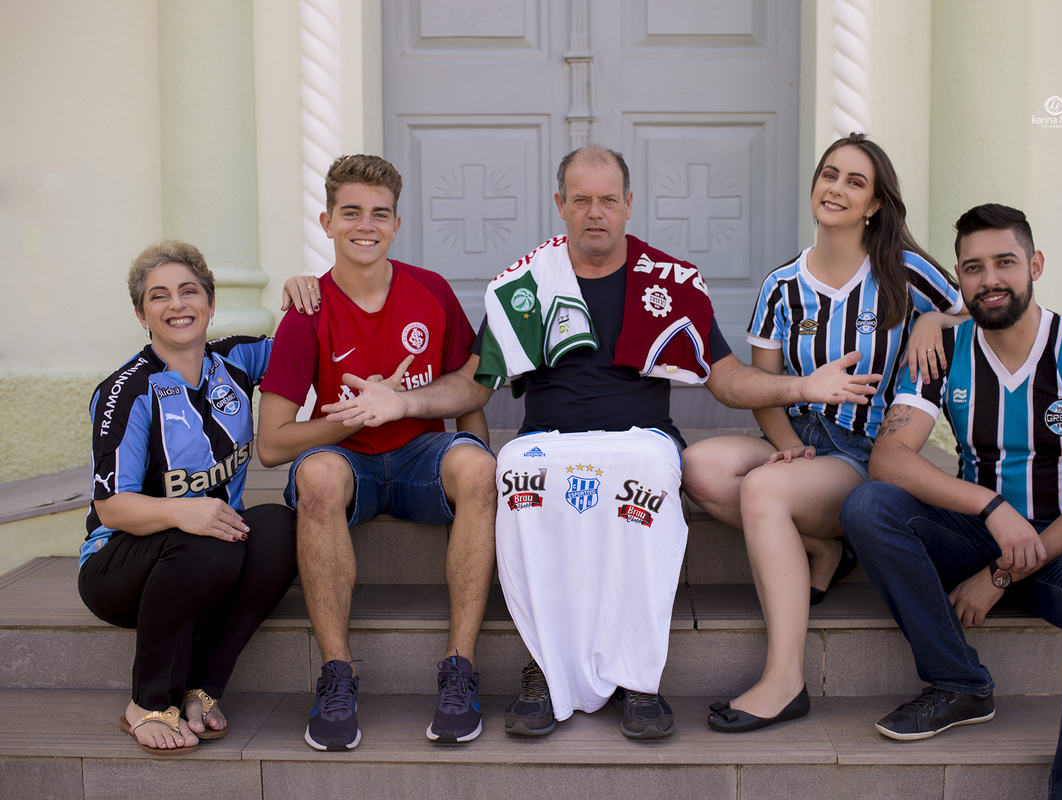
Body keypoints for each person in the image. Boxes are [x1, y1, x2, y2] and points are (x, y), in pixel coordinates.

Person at [320, 145, 882, 740]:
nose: (596, 212)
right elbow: (471, 385)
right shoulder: (525, 286)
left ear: (628, 205)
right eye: (581, 199)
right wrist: (401, 402)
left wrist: (803, 385)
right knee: (513, 471)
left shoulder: (669, 281)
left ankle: (640, 677)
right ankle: (544, 666)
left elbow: (725, 376)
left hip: (640, 440)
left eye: (608, 199)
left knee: (642, 471)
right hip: (547, 441)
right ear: (560, 204)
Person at [840, 204, 1062, 800]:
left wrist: (1000, 575)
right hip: (977, 532)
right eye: (973, 268)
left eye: (1005, 262)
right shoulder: (942, 350)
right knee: (869, 505)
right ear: (959, 280)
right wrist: (991, 509)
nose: (990, 279)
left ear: (1034, 265)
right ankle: (958, 681)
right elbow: (890, 459)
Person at [681, 133, 963, 732]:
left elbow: (981, 310)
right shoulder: (781, 285)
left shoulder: (905, 272)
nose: (836, 188)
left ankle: (784, 681)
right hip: (802, 437)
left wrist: (936, 318)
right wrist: (786, 446)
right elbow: (764, 388)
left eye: (855, 182)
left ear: (875, 205)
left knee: (763, 492)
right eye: (829, 174)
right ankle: (823, 546)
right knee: (698, 467)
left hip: (865, 455)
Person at [257, 155, 498, 749]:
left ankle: (459, 669)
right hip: (349, 464)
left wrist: (476, 466)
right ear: (327, 221)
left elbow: (470, 386)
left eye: (380, 214)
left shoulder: (431, 291)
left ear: (395, 223)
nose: (366, 224)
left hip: (420, 458)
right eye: (352, 212)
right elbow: (270, 445)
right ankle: (338, 674)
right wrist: (350, 420)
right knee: (314, 478)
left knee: (478, 466)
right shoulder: (306, 311)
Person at [79, 241, 297, 755]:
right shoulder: (126, 392)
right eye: (159, 296)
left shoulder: (237, 358)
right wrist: (181, 509)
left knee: (280, 529)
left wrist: (309, 290)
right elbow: (111, 506)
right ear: (141, 314)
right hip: (119, 566)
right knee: (206, 539)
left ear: (210, 302)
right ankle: (148, 702)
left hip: (209, 556)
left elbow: (308, 345)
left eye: (188, 291)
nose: (177, 305)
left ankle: (202, 688)